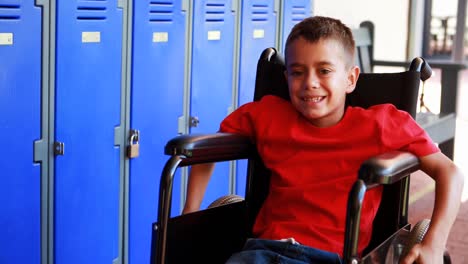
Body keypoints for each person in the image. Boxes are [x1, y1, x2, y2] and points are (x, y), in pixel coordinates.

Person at [182, 16, 464, 263]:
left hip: (329, 257)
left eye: (324, 71)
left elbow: (449, 171)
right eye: (297, 72)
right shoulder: (267, 114)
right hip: (260, 251)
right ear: (286, 76)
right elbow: (208, 150)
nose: (310, 83)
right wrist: (189, 214)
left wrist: (435, 242)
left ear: (351, 79)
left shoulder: (383, 124)